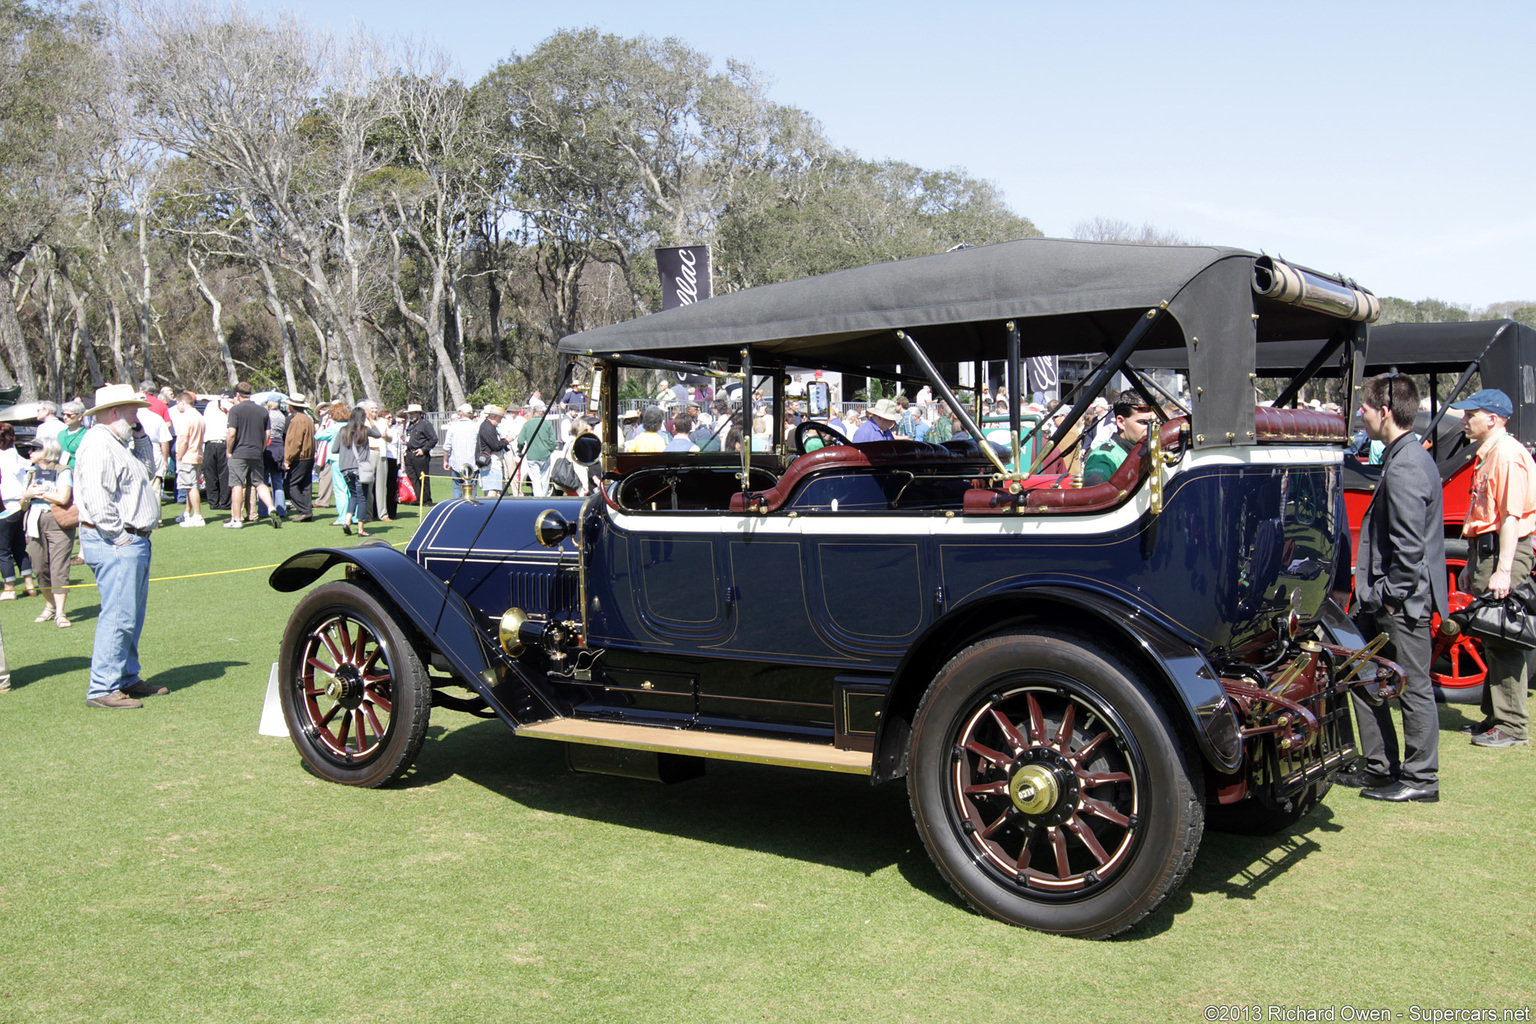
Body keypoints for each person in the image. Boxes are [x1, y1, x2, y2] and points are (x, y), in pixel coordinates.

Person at [1339, 374, 1447, 802]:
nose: (1360, 417)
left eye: (1364, 409)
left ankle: (1421, 780)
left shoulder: (1405, 465)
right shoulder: (1408, 457)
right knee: (1363, 676)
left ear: (1384, 411)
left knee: (1414, 687)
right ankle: (1381, 768)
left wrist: (1380, 596)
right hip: (1392, 601)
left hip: (1399, 605)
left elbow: (1409, 552)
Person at [1451, 388, 1536, 749]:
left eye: (1472, 413)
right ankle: (1496, 717)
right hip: (1490, 552)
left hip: (1506, 551)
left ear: (1493, 418)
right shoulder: (1493, 453)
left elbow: (1512, 517)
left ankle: (1512, 726)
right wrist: (1474, 562)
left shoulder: (1507, 454)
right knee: (1492, 634)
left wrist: (1502, 569)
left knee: (1503, 638)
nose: (1466, 420)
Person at [75, 384, 167, 709]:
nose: (137, 415)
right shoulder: (99, 444)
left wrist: (141, 436)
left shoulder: (117, 442)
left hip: (131, 540)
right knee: (119, 615)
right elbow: (98, 500)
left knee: (131, 615)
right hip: (119, 541)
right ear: (115, 412)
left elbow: (149, 472)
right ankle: (102, 688)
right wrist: (119, 536)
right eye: (132, 410)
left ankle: (127, 678)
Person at [24, 436, 76, 626]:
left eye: (35, 449)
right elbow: (23, 505)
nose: (30, 452)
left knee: (58, 567)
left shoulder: (63, 471)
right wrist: (27, 496)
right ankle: (49, 606)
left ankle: (60, 613)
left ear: (47, 451)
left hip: (58, 522)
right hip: (33, 522)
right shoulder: (32, 472)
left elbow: (63, 498)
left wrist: (38, 494)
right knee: (39, 568)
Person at [224, 382, 281, 529]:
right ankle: (271, 508)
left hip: (239, 452)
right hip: (256, 452)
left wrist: (229, 450)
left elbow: (231, 433)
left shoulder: (235, 410)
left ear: (237, 394)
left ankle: (236, 519)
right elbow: (268, 434)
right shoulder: (262, 411)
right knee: (259, 483)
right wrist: (261, 449)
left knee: (237, 485)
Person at [1082, 392, 1157, 486]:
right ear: (1121, 422)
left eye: (1154, 422)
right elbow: (1092, 488)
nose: (1151, 428)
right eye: (1143, 422)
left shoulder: (1150, 449)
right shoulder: (1105, 455)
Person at [0, 423, 36, 600]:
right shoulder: (16, 454)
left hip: (5, 505)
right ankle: (29, 585)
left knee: (3, 550)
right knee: (19, 547)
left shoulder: (3, 456)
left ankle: (9, 588)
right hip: (20, 504)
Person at [335, 407, 379, 537]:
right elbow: (378, 434)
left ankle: (347, 521)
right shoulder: (364, 431)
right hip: (359, 469)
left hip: (345, 468)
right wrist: (372, 420)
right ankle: (360, 529)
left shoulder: (343, 431)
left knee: (353, 495)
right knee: (362, 498)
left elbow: (334, 449)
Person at [169, 391, 206, 527]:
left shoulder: (186, 417)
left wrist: (179, 455)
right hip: (197, 454)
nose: (177, 406)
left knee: (191, 486)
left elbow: (183, 438)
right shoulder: (199, 416)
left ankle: (197, 516)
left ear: (183, 402)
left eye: (178, 403)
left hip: (188, 455)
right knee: (189, 486)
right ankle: (187, 513)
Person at [283, 393, 316, 521]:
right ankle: (307, 512)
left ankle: (304, 510)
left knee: (290, 485)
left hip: (299, 457)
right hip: (308, 457)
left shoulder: (297, 420)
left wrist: (287, 459)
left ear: (292, 406)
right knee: (305, 485)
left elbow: (295, 442)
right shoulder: (307, 418)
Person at [517, 403, 560, 497]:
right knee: (545, 479)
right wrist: (550, 450)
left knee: (535, 479)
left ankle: (538, 498)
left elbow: (520, 440)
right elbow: (552, 441)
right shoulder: (547, 423)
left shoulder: (527, 424)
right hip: (545, 455)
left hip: (532, 456)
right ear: (541, 412)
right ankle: (543, 497)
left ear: (533, 412)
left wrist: (519, 451)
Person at [402, 403, 437, 506]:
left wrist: (424, 449)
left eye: (412, 413)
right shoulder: (410, 425)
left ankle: (426, 500)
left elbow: (433, 439)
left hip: (420, 454)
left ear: (418, 413)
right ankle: (418, 498)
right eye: (410, 414)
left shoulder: (425, 424)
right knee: (413, 477)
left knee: (423, 478)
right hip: (410, 454)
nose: (411, 416)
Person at [201, 393, 230, 510]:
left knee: (211, 473)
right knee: (223, 473)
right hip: (220, 442)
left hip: (212, 443)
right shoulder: (217, 406)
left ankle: (214, 502)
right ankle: (224, 502)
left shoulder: (210, 407)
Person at [442, 403, 478, 499]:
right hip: (472, 463)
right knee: (472, 488)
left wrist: (445, 460)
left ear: (461, 413)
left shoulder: (453, 426)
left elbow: (447, 446)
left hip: (457, 462)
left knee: (457, 487)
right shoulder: (475, 426)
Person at [476, 405, 510, 497]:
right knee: (493, 489)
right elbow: (496, 446)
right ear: (494, 417)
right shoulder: (487, 428)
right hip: (491, 464)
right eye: (500, 419)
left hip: (490, 463)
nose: (500, 422)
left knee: (491, 489)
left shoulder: (487, 426)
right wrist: (507, 441)